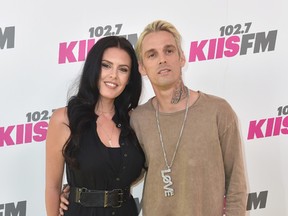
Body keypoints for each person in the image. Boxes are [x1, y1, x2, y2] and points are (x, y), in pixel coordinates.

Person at [59, 20, 247, 216]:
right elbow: (120, 170)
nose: (162, 60)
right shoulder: (137, 119)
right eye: (152, 54)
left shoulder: (218, 111)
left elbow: (236, 183)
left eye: (169, 51)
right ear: (141, 67)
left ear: (182, 57)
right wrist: (78, 191)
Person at [45, 36, 145, 216]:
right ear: (93, 68)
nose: (113, 75)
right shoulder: (64, 119)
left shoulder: (135, 121)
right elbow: (52, 187)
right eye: (106, 65)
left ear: (130, 78)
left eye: (123, 69)